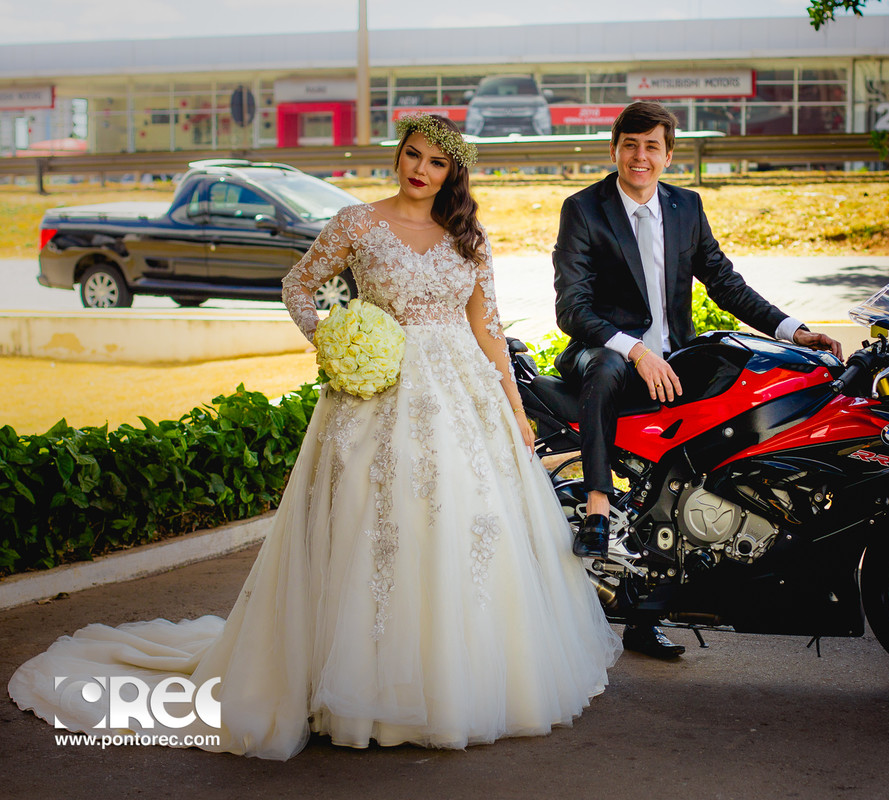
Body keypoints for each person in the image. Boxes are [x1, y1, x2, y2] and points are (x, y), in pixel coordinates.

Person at [9, 114, 621, 760]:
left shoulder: (467, 236)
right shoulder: (357, 222)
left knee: (464, 525)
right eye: (412, 155)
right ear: (399, 156)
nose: (420, 170)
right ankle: (361, 684)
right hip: (375, 394)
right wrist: (336, 339)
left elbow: (488, 328)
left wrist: (515, 409)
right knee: (372, 526)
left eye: (436, 163)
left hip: (461, 394)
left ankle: (457, 678)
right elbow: (298, 285)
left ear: (452, 173)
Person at [552, 101, 843, 660]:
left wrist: (794, 330)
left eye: (652, 146)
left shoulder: (686, 206)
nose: (641, 156)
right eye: (630, 145)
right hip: (604, 356)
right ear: (614, 148)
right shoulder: (583, 209)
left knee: (696, 459)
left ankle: (655, 605)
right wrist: (634, 349)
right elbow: (572, 306)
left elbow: (725, 284)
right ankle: (594, 503)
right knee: (611, 364)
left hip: (677, 358)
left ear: (668, 154)